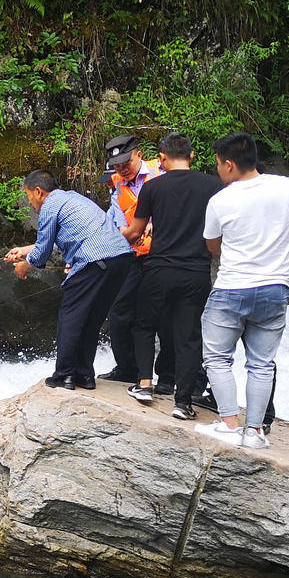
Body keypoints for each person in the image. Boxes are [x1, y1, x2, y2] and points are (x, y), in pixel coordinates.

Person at [198, 133, 289, 449]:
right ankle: (255, 432)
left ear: (229, 165)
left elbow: (213, 246)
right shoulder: (287, 187)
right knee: (261, 363)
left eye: (219, 164)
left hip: (232, 288)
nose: (219, 170)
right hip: (275, 289)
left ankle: (230, 423)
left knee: (217, 358)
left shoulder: (220, 201)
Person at [120, 133, 222, 420]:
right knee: (188, 335)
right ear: (191, 156)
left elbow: (135, 232)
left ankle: (143, 385)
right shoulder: (214, 186)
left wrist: (115, 240)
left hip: (159, 269)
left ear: (162, 159)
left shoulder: (152, 188)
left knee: (144, 325)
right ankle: (183, 402)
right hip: (196, 271)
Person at [6, 169, 135, 390]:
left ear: (38, 191)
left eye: (29, 197)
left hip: (95, 260)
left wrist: (25, 265)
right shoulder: (74, 198)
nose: (30, 204)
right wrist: (24, 250)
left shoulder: (49, 206)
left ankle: (64, 375)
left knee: (71, 318)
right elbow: (63, 238)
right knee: (91, 320)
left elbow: (44, 249)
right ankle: (84, 375)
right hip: (121, 260)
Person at [98, 133, 175, 390]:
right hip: (132, 254)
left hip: (163, 254)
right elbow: (117, 218)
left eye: (126, 163)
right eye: (117, 166)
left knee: (166, 316)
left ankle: (167, 376)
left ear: (138, 155)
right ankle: (127, 369)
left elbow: (179, 203)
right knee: (120, 313)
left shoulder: (161, 171)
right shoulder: (117, 184)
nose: (122, 170)